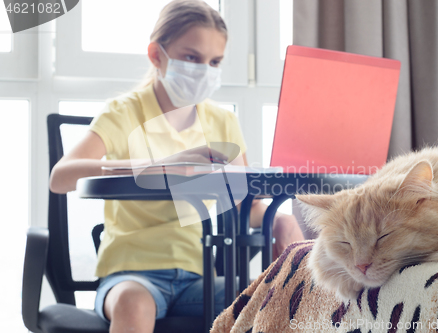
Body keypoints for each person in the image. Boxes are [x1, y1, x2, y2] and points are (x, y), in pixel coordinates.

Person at [49, 1, 304, 332]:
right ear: (157, 55)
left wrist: (279, 220)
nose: (204, 70)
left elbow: (246, 205)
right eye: (191, 58)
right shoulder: (123, 113)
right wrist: (157, 165)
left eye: (214, 62)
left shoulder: (222, 121)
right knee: (134, 304)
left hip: (200, 278)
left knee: (272, 301)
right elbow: (61, 177)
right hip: (131, 276)